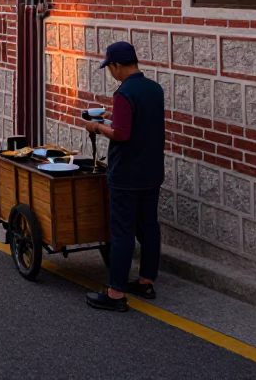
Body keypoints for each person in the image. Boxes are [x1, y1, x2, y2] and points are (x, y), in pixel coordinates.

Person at [81, 41, 165, 312]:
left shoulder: (124, 94)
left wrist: (97, 125)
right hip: (152, 171)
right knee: (149, 227)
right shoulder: (155, 89)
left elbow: (122, 134)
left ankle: (115, 293)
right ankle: (146, 281)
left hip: (127, 174)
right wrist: (112, 120)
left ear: (117, 65)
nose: (111, 73)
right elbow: (141, 125)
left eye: (110, 68)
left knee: (122, 232)